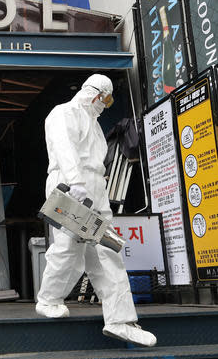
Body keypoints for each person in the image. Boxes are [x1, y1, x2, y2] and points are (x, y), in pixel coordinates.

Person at [36, 74, 157, 347]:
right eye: (107, 98)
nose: (107, 105)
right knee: (69, 250)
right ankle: (48, 299)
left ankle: (120, 320)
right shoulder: (63, 113)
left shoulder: (94, 124)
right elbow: (64, 147)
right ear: (96, 94)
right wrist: (75, 182)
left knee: (107, 250)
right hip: (69, 186)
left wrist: (93, 187)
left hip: (94, 190)